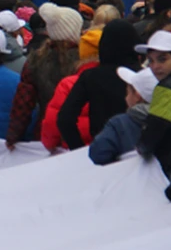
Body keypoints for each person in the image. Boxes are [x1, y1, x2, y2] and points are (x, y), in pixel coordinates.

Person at [6, 2, 82, 149]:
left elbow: (23, 103)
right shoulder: (85, 59)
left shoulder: (36, 60)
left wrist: (13, 136)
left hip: (46, 133)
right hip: (82, 134)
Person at [56, 20, 140, 151]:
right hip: (140, 152)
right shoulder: (144, 75)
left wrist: (79, 150)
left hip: (104, 149)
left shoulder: (90, 76)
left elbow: (65, 118)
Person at [40, 27, 101, 152]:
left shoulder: (68, 84)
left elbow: (52, 124)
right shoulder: (120, 79)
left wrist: (50, 144)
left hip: (74, 154)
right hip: (111, 155)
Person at [136, 31, 171, 201]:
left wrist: (142, 146)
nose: (155, 67)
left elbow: (156, 127)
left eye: (162, 59)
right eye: (150, 61)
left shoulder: (167, 88)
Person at [90, 66, 157, 165]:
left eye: (128, 92)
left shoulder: (120, 124)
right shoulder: (169, 118)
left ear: (137, 96)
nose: (126, 97)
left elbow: (97, 154)